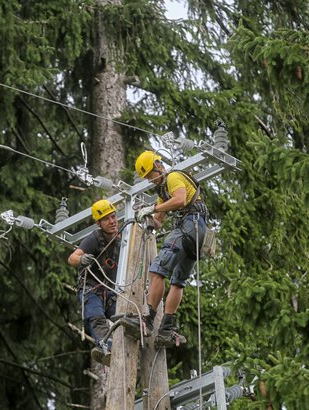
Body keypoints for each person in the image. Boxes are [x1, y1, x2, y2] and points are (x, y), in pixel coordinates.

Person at [122, 150, 208, 348]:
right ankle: (166, 329)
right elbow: (159, 221)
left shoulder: (173, 177)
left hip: (190, 224)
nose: (151, 180)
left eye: (150, 175)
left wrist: (152, 209)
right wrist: (146, 218)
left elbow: (180, 200)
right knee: (178, 281)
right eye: (147, 178)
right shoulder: (162, 192)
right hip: (196, 232)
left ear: (159, 166)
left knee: (157, 269)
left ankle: (148, 321)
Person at [68, 199, 121, 366]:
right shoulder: (94, 238)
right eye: (107, 219)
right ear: (99, 223)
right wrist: (83, 258)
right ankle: (107, 347)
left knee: (125, 318)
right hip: (91, 289)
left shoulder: (123, 238)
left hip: (111, 291)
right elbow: (72, 258)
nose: (112, 221)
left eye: (113, 217)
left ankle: (126, 345)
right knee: (96, 317)